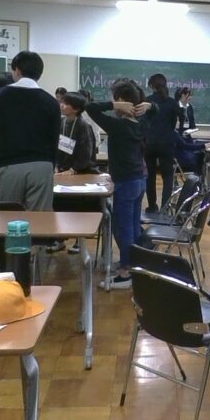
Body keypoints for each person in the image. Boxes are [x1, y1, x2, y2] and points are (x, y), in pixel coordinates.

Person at [85, 79, 153, 288]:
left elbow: (90, 107)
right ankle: (132, 264)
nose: (112, 103)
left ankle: (125, 273)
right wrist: (149, 106)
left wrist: (114, 105)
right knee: (132, 227)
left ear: (121, 101)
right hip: (139, 180)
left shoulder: (117, 125)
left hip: (126, 182)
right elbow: (155, 110)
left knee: (124, 229)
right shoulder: (140, 123)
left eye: (114, 99)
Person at [0, 51, 61, 211]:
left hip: (10, 165)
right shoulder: (50, 101)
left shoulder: (0, 97)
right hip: (42, 166)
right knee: (39, 220)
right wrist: (50, 168)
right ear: (39, 73)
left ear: (16, 70)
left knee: (8, 218)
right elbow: (54, 140)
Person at [143, 73, 179, 213]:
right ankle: (165, 208)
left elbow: (143, 122)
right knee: (168, 176)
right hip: (166, 143)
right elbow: (175, 122)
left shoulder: (147, 101)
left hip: (150, 143)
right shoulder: (172, 102)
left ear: (152, 86)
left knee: (150, 176)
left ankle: (152, 206)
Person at [56, 93, 97, 173]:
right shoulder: (60, 122)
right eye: (62, 102)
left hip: (79, 171)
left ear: (76, 109)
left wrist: (73, 169)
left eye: (66, 104)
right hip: (61, 169)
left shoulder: (83, 126)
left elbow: (85, 153)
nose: (62, 105)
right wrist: (56, 165)